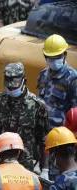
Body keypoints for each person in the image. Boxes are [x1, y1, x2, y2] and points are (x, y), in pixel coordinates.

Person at [0, 62, 49, 178]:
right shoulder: (0, 100)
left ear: (24, 82)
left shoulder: (38, 105)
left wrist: (45, 170)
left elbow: (43, 139)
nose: (11, 89)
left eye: (14, 87)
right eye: (8, 87)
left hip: (23, 165)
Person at [38, 34, 77, 180]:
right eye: (50, 57)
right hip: (43, 139)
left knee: (59, 181)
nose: (53, 61)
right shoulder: (43, 76)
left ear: (65, 54)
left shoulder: (72, 78)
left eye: (57, 57)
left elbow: (75, 114)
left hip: (61, 142)